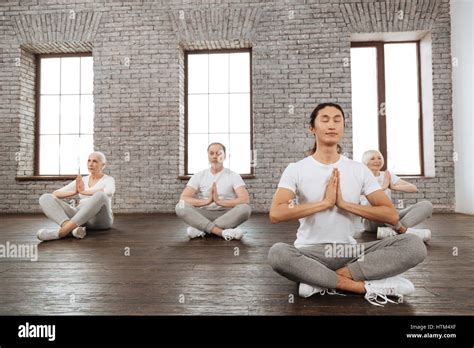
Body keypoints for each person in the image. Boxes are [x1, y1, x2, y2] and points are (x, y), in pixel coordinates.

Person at [267, 103, 427, 306]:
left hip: (348, 253)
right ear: (312, 128)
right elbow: (276, 213)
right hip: (308, 252)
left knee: (414, 245)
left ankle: (320, 280)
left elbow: (391, 215)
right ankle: (360, 287)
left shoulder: (358, 169)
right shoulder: (296, 169)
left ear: (343, 128)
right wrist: (324, 203)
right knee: (278, 253)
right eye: (324, 119)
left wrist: (344, 204)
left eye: (337, 120)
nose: (331, 124)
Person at [175, 142, 251, 241]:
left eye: (219, 153)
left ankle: (201, 229)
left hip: (227, 215)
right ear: (208, 156)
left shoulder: (234, 176)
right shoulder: (199, 175)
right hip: (203, 214)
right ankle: (222, 232)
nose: (215, 156)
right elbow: (183, 198)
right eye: (211, 153)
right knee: (180, 206)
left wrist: (220, 202)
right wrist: (206, 202)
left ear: (225, 156)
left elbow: (244, 199)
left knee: (245, 209)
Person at [37, 151, 115, 241]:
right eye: (89, 161)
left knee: (101, 195)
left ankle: (61, 232)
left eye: (95, 161)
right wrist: (74, 191)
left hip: (100, 220)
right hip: (80, 218)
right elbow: (56, 193)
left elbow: (109, 192)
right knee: (45, 198)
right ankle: (73, 230)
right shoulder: (83, 180)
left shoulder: (108, 179)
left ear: (103, 165)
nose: (90, 164)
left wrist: (84, 191)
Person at [360, 150, 432, 242]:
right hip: (371, 218)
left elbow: (413, 188)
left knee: (426, 205)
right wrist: (383, 187)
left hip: (390, 216)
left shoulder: (386, 176)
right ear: (366, 162)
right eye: (372, 158)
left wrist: (393, 186)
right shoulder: (362, 177)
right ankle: (401, 230)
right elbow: (365, 199)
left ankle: (392, 231)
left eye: (379, 158)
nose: (377, 161)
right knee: (378, 208)